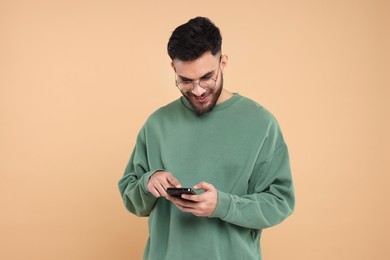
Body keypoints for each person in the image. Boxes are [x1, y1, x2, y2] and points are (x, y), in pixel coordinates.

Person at [118, 16, 295, 260]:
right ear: (174, 69)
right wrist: (149, 182)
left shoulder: (260, 123)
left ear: (223, 62)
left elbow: (279, 202)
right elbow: (131, 197)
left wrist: (222, 205)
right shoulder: (157, 124)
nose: (198, 90)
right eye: (186, 81)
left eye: (207, 77)